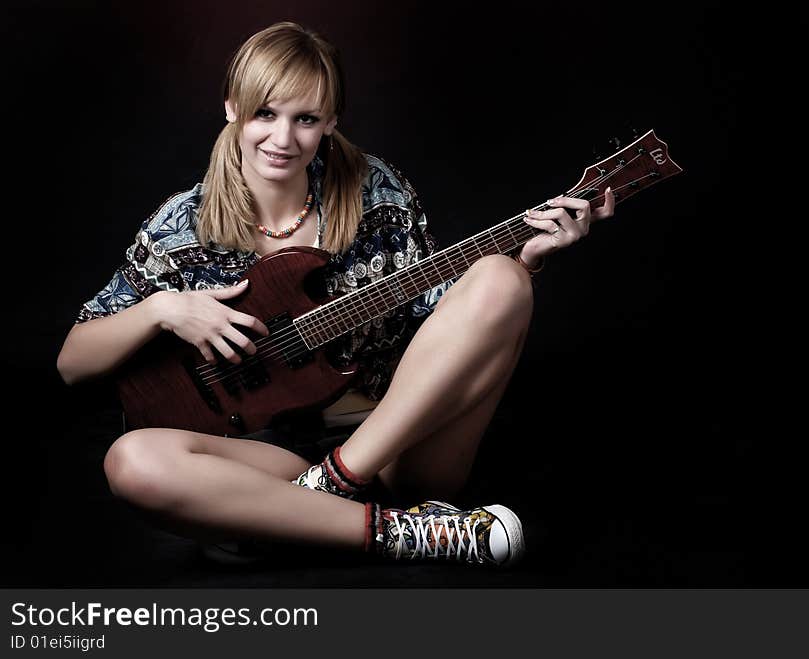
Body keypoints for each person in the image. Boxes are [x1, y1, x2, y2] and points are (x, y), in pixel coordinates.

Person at [56, 21, 614, 568]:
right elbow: (72, 364)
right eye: (265, 114)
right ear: (232, 107)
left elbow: (443, 321)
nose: (283, 139)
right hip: (262, 457)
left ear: (331, 120)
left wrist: (527, 264)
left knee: (500, 275)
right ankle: (407, 533)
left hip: (394, 444)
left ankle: (313, 501)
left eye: (306, 119)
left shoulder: (378, 191)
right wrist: (163, 309)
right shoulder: (179, 228)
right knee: (131, 461)